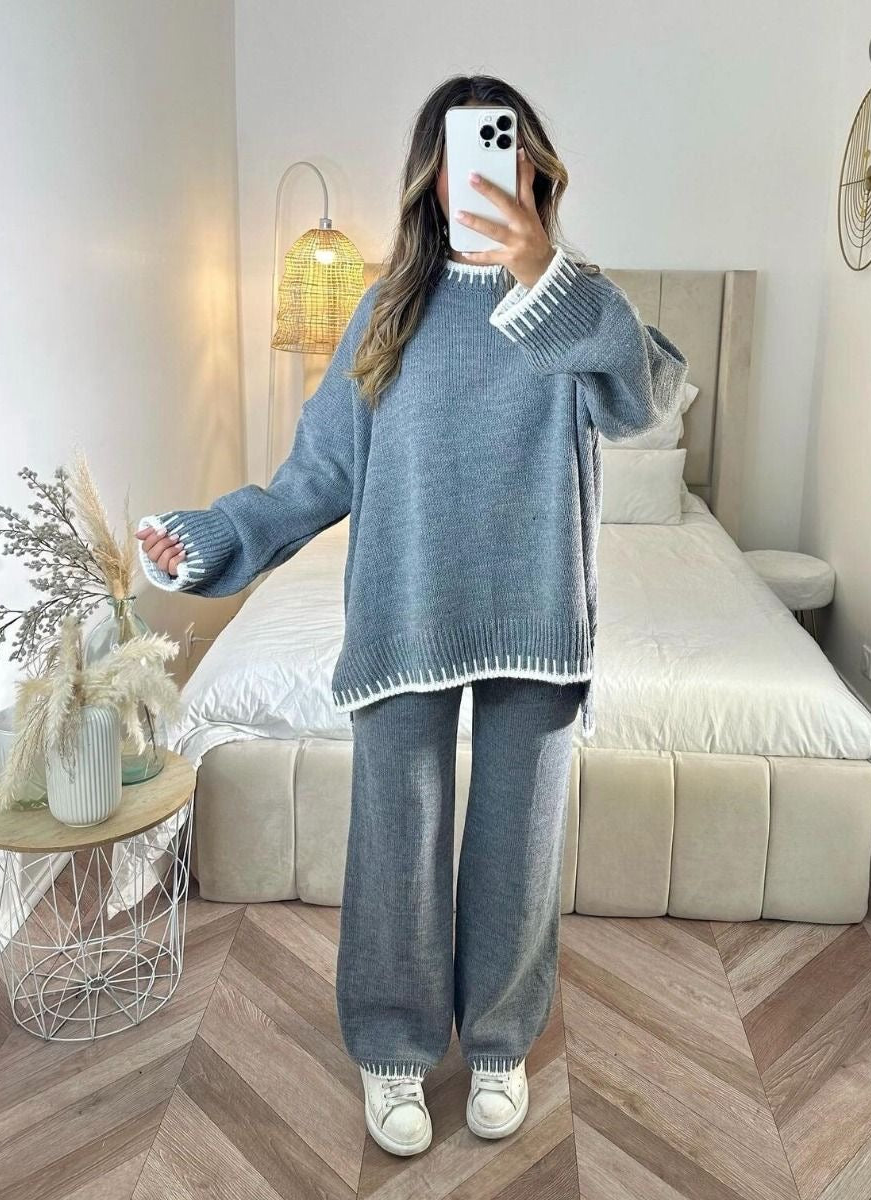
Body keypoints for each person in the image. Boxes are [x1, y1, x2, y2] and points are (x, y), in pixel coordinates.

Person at [137, 74, 688, 1158]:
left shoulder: (576, 303)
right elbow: (317, 473)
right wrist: (216, 537)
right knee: (397, 840)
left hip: (535, 612)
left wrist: (544, 272)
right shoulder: (385, 309)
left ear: (533, 167)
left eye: (503, 147)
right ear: (431, 177)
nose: (482, 168)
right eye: (462, 151)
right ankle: (391, 1046)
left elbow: (644, 397)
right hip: (405, 609)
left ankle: (498, 1043)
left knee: (518, 847)